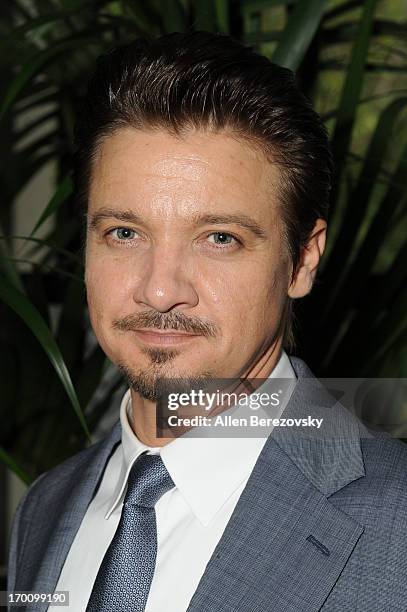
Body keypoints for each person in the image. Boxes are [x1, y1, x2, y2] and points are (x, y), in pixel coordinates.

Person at [7, 31, 407, 612]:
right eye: (124, 232)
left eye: (219, 238)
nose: (161, 289)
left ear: (302, 261)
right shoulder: (45, 508)